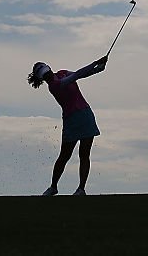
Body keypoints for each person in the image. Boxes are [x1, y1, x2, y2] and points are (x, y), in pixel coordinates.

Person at [28, 55, 108, 196]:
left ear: (50, 69)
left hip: (85, 115)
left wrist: (97, 69)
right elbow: (77, 74)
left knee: (84, 154)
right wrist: (96, 63)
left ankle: (81, 189)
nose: (48, 76)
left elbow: (81, 74)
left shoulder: (63, 72)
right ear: (42, 79)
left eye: (48, 73)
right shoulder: (54, 86)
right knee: (64, 155)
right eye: (45, 76)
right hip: (71, 120)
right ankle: (53, 187)